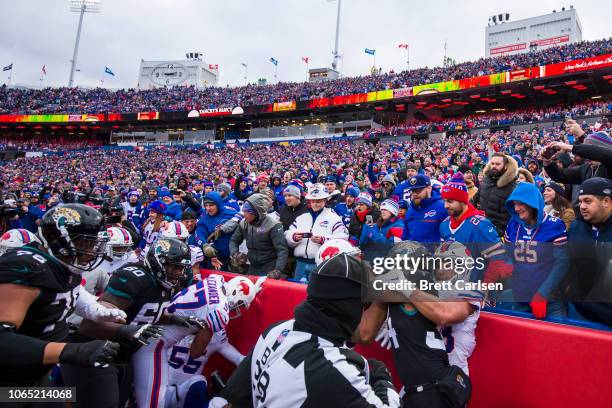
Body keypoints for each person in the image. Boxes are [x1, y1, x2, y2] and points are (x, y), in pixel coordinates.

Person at [212, 252, 400, 408]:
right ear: (349, 306)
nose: (366, 310)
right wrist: (382, 376)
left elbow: (231, 397)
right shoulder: (333, 369)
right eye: (366, 304)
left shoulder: (276, 330)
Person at [0, 204, 122, 390]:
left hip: (37, 377)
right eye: (85, 242)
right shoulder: (27, 267)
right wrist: (71, 351)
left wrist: (94, 309)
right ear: (60, 240)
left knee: (65, 399)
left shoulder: (61, 264)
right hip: (9, 388)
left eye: (94, 242)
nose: (92, 250)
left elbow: (64, 293)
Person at [66, 238, 196, 408]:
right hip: (95, 349)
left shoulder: (164, 284)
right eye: (175, 266)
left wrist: (174, 319)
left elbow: (146, 311)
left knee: (120, 403)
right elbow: (92, 323)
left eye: (181, 267)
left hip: (123, 356)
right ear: (158, 262)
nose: (179, 272)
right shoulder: (133, 277)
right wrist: (128, 331)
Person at [354, 241, 472, 408]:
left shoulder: (469, 289)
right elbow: (365, 334)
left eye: (448, 263)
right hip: (416, 384)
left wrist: (404, 285)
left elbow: (444, 314)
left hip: (449, 381)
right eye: (437, 263)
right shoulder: (416, 291)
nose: (440, 269)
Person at [504, 182, 570, 319]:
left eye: (520, 204)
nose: (516, 208)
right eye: (514, 204)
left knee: (552, 339)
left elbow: (562, 263)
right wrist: (508, 265)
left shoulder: (555, 225)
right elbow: (508, 253)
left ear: (532, 203)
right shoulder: (513, 223)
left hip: (550, 301)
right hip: (521, 296)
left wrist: (543, 293)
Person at [440, 173, 511, 284]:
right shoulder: (444, 225)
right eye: (444, 201)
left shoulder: (480, 225)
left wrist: (485, 286)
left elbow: (498, 260)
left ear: (463, 200)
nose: (445, 206)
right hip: (453, 286)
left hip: (476, 289)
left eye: (450, 201)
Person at [565, 177, 612, 326]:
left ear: (606, 201)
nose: (582, 206)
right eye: (580, 201)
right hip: (581, 312)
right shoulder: (576, 227)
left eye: (588, 201)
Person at [286, 184, 348, 282]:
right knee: (297, 293)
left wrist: (324, 240)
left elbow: (343, 237)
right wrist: (293, 237)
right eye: (313, 201)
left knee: (315, 294)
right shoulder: (302, 217)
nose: (315, 204)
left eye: (318, 201)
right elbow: (288, 233)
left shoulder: (333, 218)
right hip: (300, 264)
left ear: (325, 200)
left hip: (319, 264)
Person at [230, 193, 288, 278]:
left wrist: (278, 270)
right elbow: (234, 240)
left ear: (257, 212)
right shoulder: (244, 223)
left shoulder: (273, 225)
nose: (244, 215)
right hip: (253, 265)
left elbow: (282, 250)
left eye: (248, 212)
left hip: (270, 266)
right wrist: (235, 253)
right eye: (244, 211)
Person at [471, 152, 518, 237]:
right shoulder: (486, 181)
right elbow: (474, 200)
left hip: (500, 233)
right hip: (482, 227)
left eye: (498, 164)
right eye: (492, 163)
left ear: (505, 166)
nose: (494, 166)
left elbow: (515, 214)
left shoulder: (512, 187)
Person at [196, 192, 239, 270]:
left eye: (211, 205)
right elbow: (199, 233)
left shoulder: (231, 213)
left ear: (218, 204)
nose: (208, 208)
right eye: (206, 205)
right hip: (217, 259)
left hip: (235, 257)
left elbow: (243, 216)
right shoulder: (204, 218)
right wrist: (204, 245)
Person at [401, 175, 446, 247]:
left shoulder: (443, 207)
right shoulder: (410, 210)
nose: (414, 194)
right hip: (414, 256)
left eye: (418, 190)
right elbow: (405, 237)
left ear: (429, 188)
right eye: (412, 191)